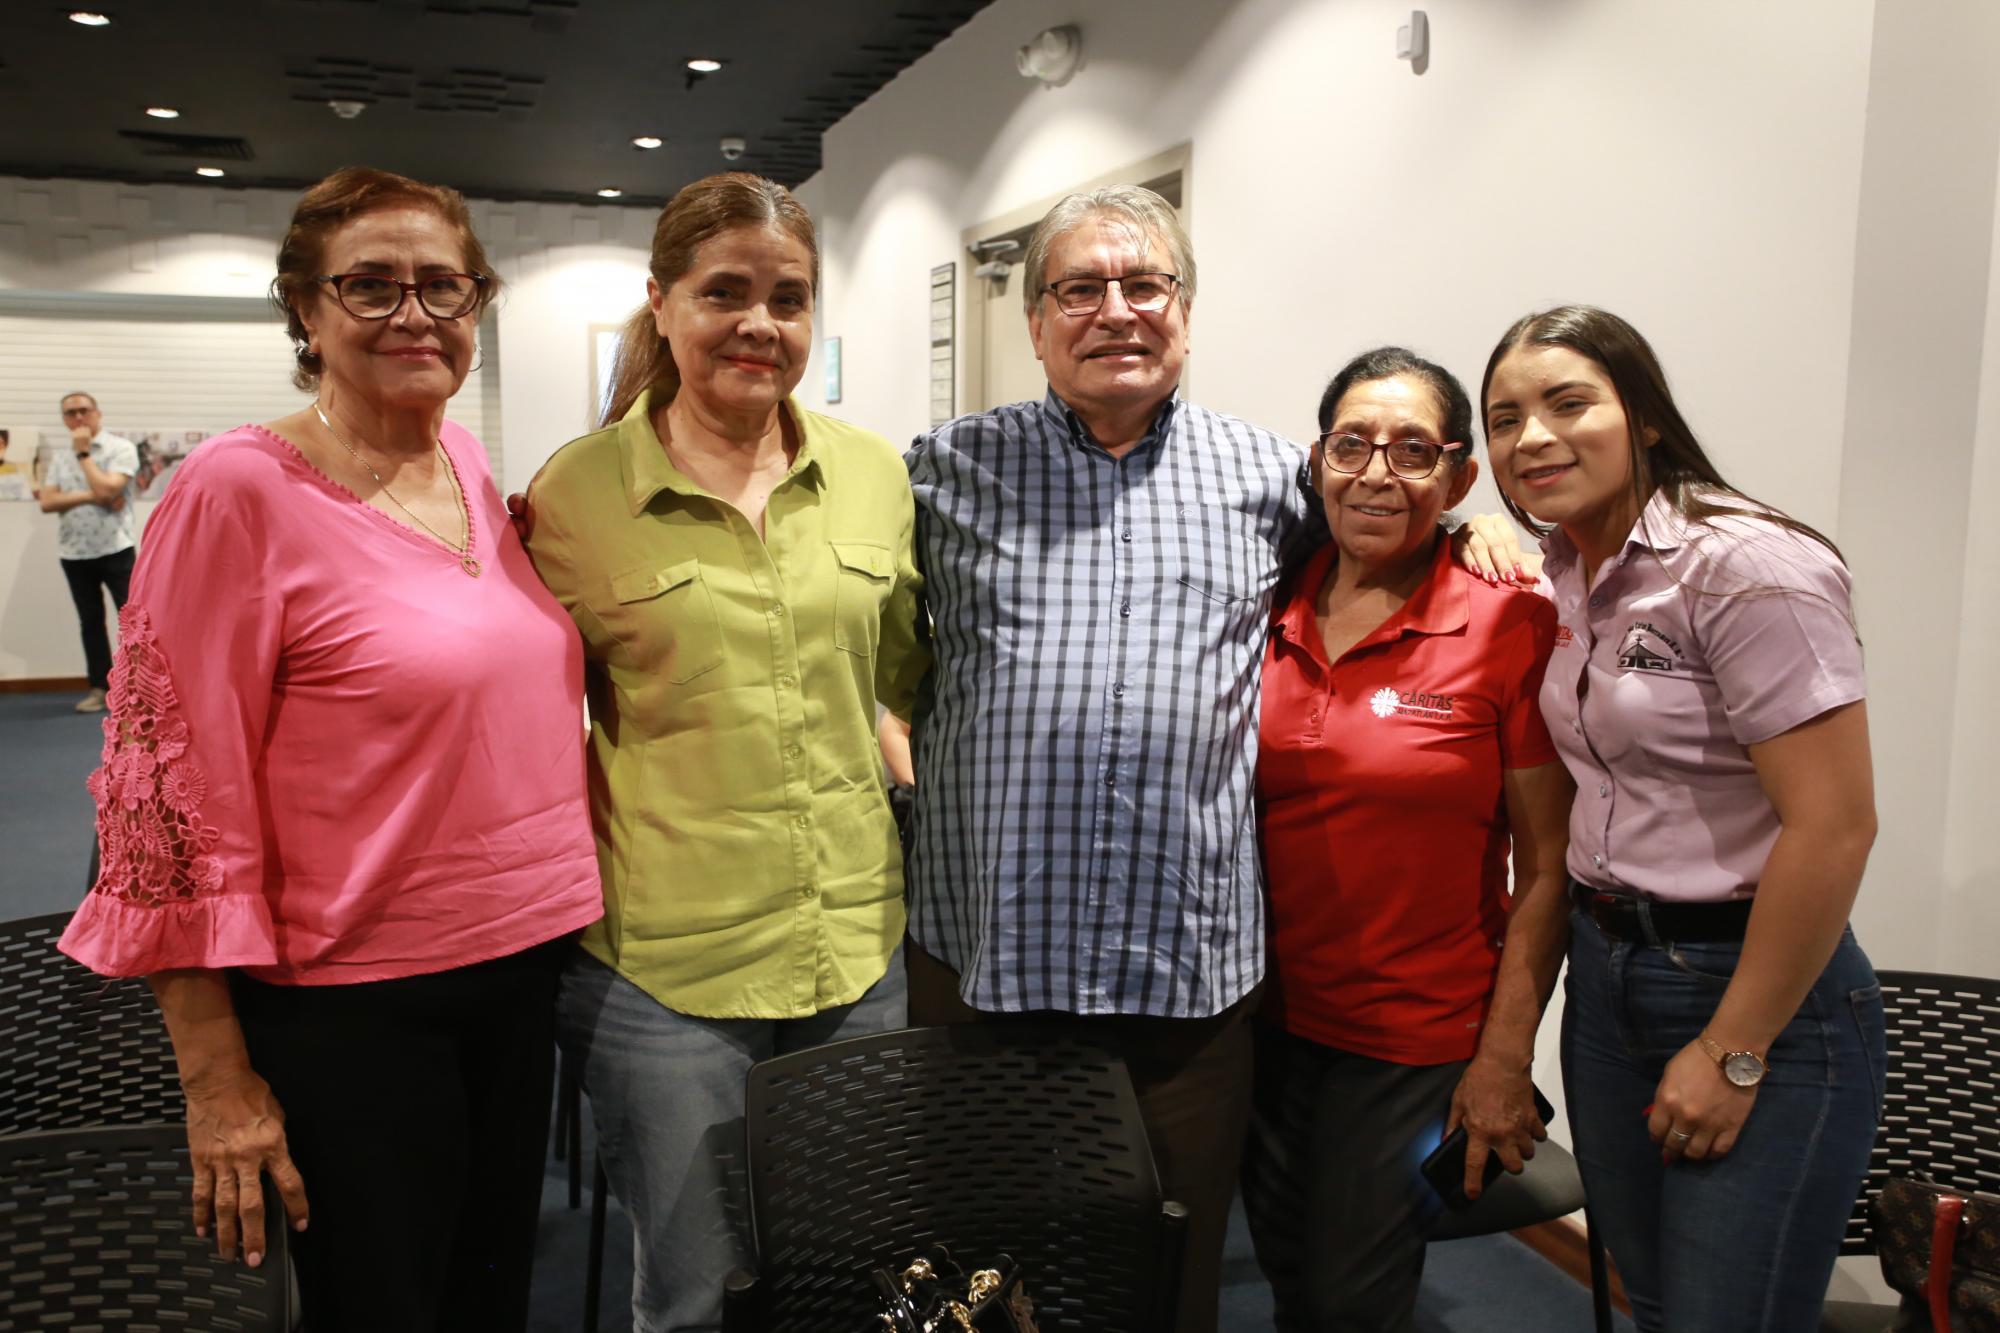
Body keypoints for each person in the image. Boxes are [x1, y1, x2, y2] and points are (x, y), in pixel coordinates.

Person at [57, 166, 603, 1332]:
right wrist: (215, 1077)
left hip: (514, 974)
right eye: (371, 286)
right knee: (382, 1306)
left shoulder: (460, 461)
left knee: (488, 1291)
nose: (415, 314)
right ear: (304, 311)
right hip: (352, 1000)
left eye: (444, 287)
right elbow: (164, 794)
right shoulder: (234, 491)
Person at [900, 184, 1315, 1333]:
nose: (1115, 311)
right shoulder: (941, 472)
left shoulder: (1277, 482)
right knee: (979, 1260)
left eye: (1145, 285)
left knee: (1166, 1261)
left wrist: (1476, 534)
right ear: (1035, 321)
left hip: (1180, 959)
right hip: (985, 947)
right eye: (1080, 288)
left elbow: (1395, 570)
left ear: (1184, 310)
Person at [521, 172, 927, 1333]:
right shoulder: (576, 494)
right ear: (662, 303)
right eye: (725, 293)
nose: (759, 322)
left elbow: (895, 675)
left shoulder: (871, 475)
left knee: (852, 1273)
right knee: (694, 1292)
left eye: (787, 298)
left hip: (853, 950)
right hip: (664, 972)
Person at [1479, 305, 1884, 1332]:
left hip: (1750, 990)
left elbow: (1833, 827)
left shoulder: (1744, 566)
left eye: (1567, 403)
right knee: (1654, 1302)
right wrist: (1466, 525)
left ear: (1644, 416)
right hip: (1607, 971)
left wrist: (1735, 1048)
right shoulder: (1566, 569)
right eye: (1503, 418)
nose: (1530, 437)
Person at [1241, 348, 1574, 1332]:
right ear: (1316, 461)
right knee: (1287, 1273)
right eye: (1352, 445)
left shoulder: (1506, 620)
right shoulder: (1268, 594)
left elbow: (1548, 864)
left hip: (1408, 1039)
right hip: (1260, 1020)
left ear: (1458, 475)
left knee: (1351, 1303)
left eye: (1412, 451)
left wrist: (1504, 1058)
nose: (1376, 472)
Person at [36, 392, 140, 713]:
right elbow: (48, 502)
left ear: (97, 414)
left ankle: (139, 690)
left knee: (134, 622)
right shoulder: (59, 458)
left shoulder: (121, 448)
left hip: (115, 549)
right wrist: (93, 495)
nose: (78, 418)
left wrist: (84, 457)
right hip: (74, 553)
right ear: (65, 419)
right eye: (71, 413)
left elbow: (109, 488)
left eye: (84, 411)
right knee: (90, 622)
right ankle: (100, 687)